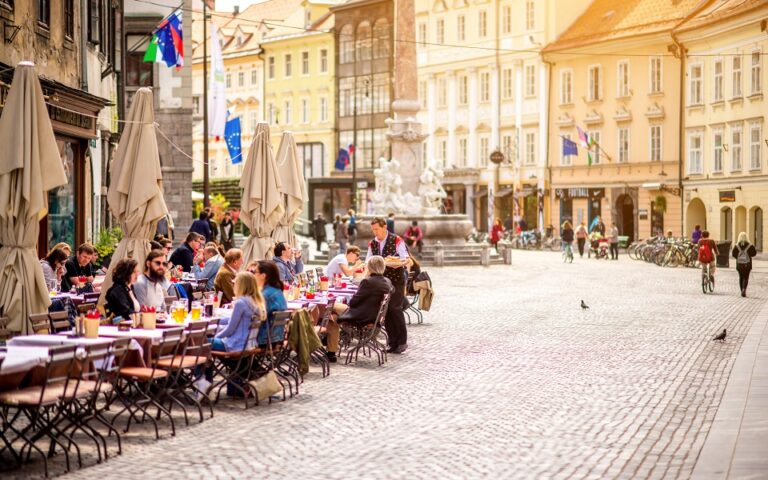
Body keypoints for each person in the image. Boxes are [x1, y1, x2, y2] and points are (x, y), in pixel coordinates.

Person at [332, 256, 393, 361]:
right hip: (375, 315)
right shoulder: (387, 281)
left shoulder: (368, 282)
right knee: (333, 313)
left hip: (363, 315)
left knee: (331, 309)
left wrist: (365, 276)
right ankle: (334, 344)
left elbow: (353, 302)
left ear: (369, 267)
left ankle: (330, 344)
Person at [366, 217, 409, 353]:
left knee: (395, 309)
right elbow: (368, 260)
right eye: (373, 230)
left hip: (396, 280)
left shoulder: (397, 240)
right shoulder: (372, 243)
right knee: (386, 311)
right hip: (382, 282)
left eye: (377, 229)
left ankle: (402, 342)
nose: (375, 232)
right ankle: (392, 342)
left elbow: (405, 259)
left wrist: (394, 262)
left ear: (385, 227)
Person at [212, 272, 265, 352]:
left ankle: (205, 364)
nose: (233, 286)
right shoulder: (255, 301)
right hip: (249, 344)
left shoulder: (240, 303)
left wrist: (216, 337)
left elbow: (230, 329)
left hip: (235, 345)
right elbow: (234, 319)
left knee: (200, 341)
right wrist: (215, 321)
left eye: (235, 283)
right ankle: (208, 363)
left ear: (241, 285)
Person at [252, 260, 288, 346]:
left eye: (255, 272)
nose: (253, 275)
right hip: (276, 338)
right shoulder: (277, 291)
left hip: (263, 339)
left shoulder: (265, 295)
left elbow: (254, 317)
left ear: (263, 276)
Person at [732, 232, 757, 297]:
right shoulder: (750, 245)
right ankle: (744, 289)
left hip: (739, 264)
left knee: (741, 277)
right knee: (746, 277)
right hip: (747, 264)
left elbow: (733, 254)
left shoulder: (736, 245)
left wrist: (738, 258)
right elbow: (754, 253)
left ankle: (741, 291)